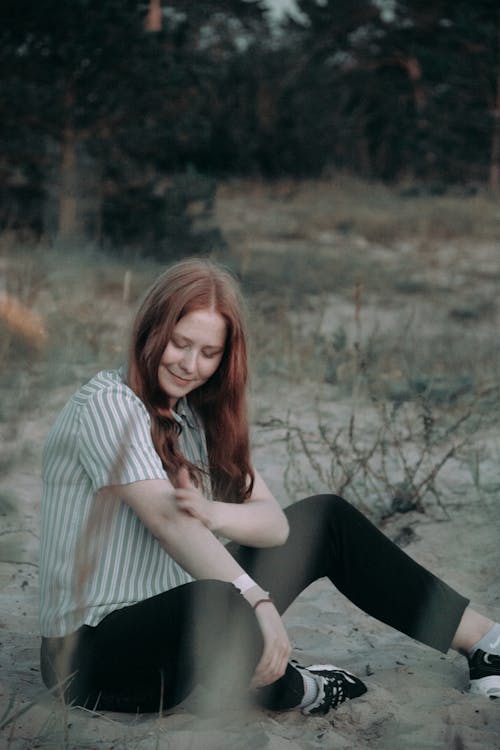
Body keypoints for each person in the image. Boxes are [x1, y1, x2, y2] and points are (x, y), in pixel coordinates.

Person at [39, 258, 500, 716]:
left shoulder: (195, 413)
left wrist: (215, 513)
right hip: (91, 657)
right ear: (151, 330)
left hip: (190, 618)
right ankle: (301, 687)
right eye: (180, 344)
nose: (189, 364)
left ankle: (486, 642)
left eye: (208, 352)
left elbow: (275, 526)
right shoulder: (108, 404)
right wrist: (256, 600)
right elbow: (168, 523)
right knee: (224, 599)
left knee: (325, 519)